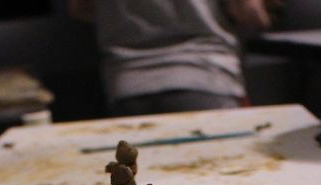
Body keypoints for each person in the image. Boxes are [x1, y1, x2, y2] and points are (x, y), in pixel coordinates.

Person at [70, 0, 273, 116]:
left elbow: (80, 8)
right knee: (222, 183)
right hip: (205, 75)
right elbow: (247, 11)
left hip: (128, 82)